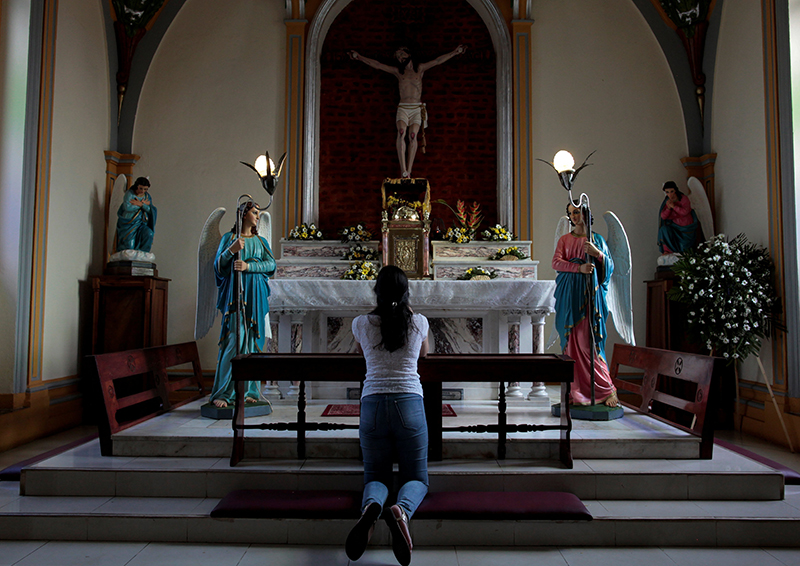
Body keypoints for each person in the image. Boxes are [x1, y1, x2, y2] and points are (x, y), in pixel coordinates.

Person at [345, 265, 430, 566]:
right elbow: (424, 354)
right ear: (407, 292)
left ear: (376, 292)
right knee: (416, 476)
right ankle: (402, 510)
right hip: (409, 403)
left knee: (376, 475)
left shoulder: (361, 323)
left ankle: (371, 506)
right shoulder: (419, 322)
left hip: (373, 404)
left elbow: (361, 353)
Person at [349, 44, 467, 179]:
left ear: (408, 54)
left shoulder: (420, 69)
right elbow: (378, 65)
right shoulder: (398, 72)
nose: (400, 58)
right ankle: (403, 170)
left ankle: (409, 171)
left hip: (416, 108)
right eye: (398, 57)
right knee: (401, 132)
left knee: (412, 135)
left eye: (401, 54)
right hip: (403, 107)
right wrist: (359, 57)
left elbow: (437, 61)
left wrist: (455, 52)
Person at [210, 201, 276, 409]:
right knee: (234, 341)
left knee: (252, 343)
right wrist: (231, 250)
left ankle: (249, 391)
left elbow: (271, 265)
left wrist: (249, 266)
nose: (257, 216)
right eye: (254, 212)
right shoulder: (229, 238)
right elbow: (218, 267)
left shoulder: (260, 241)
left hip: (255, 295)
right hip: (235, 297)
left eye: (258, 213)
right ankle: (225, 392)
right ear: (243, 214)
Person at [552, 204, 619, 407]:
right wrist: (578, 267)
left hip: (590, 298)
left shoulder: (596, 239)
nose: (573, 216)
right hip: (570, 297)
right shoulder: (565, 240)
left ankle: (606, 389)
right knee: (572, 344)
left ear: (585, 213)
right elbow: (556, 263)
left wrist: (598, 254)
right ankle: (576, 391)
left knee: (589, 343)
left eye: (577, 211)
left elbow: (610, 267)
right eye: (570, 213)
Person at [114, 177, 157, 253]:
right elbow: (127, 207)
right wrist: (142, 205)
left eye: (145, 189)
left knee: (149, 234)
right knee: (129, 247)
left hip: (142, 223)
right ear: (137, 186)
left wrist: (141, 204)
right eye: (141, 188)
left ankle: (143, 254)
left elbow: (150, 210)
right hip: (129, 223)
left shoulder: (147, 196)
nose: (142, 191)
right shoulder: (130, 194)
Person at [658, 180, 699, 254]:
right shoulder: (667, 201)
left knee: (684, 247)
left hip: (686, 227)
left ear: (675, 190)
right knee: (664, 230)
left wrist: (674, 206)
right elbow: (663, 217)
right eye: (667, 192)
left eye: (672, 191)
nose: (670, 194)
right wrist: (668, 208)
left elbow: (685, 212)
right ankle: (668, 250)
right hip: (675, 226)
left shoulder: (683, 198)